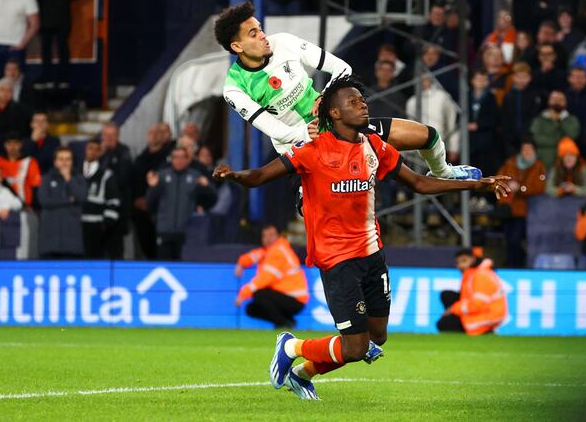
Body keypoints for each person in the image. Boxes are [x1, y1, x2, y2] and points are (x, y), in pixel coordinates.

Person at [213, 75, 508, 400]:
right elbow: (260, 176)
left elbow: (420, 183)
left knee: (376, 337)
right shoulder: (311, 151)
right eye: (352, 102)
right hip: (337, 262)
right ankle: (292, 346)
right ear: (335, 114)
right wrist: (234, 175)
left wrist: (476, 185)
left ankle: (302, 373)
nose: (362, 104)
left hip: (372, 255)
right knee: (355, 347)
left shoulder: (375, 146)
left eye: (362, 99)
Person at [215, 2, 478, 180]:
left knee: (427, 135)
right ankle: (305, 197)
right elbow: (273, 129)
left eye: (260, 28)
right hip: (302, 148)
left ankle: (443, 171)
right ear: (237, 47)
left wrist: (326, 97)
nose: (262, 35)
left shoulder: (283, 42)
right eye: (253, 33)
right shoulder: (234, 88)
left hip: (336, 127)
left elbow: (342, 68)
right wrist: (304, 131)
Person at [146, 146, 217, 260]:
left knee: (183, 266)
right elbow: (150, 201)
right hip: (164, 230)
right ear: (171, 159)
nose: (179, 160)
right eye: (176, 157)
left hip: (186, 232)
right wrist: (153, 188)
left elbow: (213, 197)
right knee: (164, 264)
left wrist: (206, 189)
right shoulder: (162, 176)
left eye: (182, 157)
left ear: (187, 159)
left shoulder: (195, 176)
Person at [236, 224, 310, 329]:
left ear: (279, 236)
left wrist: (243, 294)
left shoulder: (278, 252)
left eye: (271, 235)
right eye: (264, 236)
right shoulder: (272, 250)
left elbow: (265, 279)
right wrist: (241, 263)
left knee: (259, 294)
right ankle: (287, 321)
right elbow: (255, 255)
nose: (267, 239)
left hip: (295, 299)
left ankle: (283, 323)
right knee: (251, 309)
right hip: (288, 298)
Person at [497, 139, 547, 268]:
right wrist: (508, 186)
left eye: (529, 149)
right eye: (524, 149)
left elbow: (539, 187)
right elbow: (498, 180)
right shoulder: (510, 163)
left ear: (535, 151)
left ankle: (518, 265)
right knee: (508, 240)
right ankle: (511, 264)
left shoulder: (538, 166)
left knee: (516, 239)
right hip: (508, 208)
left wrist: (520, 188)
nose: (526, 152)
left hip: (527, 211)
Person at [437, 248, 508, 335]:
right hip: (480, 309)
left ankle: (487, 330)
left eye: (464, 260)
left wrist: (453, 309)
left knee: (444, 324)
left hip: (489, 315)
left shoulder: (481, 276)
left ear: (473, 259)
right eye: (458, 262)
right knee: (447, 295)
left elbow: (478, 305)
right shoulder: (471, 273)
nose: (461, 265)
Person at [38, 147, 87, 258]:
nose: (64, 163)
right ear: (55, 162)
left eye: (68, 159)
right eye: (61, 159)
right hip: (50, 239)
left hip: (72, 239)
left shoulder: (79, 179)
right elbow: (44, 201)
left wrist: (69, 179)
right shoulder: (46, 179)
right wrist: (69, 200)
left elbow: (81, 197)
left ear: (72, 161)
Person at [80, 137, 123, 258]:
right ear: (85, 150)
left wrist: (106, 224)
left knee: (95, 258)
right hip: (77, 225)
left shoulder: (107, 174)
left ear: (100, 152)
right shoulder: (75, 172)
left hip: (96, 226)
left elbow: (114, 200)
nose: (92, 152)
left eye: (96, 149)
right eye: (90, 148)